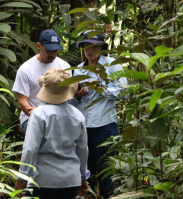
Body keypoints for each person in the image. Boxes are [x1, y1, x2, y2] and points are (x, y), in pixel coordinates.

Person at [15, 68, 89, 199]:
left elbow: (30, 148)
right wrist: (83, 177)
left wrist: (21, 178)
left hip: (42, 180)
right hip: (70, 180)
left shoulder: (39, 114)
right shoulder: (78, 115)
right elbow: (82, 150)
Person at [70, 32, 127, 199]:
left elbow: (124, 92)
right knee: (85, 171)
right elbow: (71, 103)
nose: (90, 50)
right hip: (82, 128)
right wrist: (77, 96)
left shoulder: (112, 65)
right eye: (86, 46)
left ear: (102, 47)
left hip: (105, 125)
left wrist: (101, 88)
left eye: (94, 46)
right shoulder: (78, 70)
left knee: (107, 172)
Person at [12, 29, 71, 133]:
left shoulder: (65, 67)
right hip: (32, 117)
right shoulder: (25, 69)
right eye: (49, 50)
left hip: (58, 116)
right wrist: (35, 114)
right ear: (39, 46)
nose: (53, 54)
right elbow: (22, 102)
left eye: (56, 50)